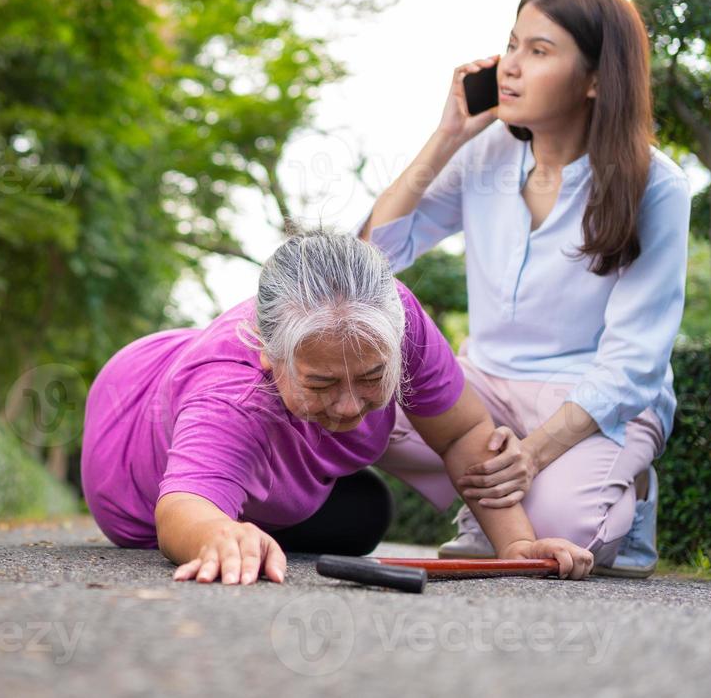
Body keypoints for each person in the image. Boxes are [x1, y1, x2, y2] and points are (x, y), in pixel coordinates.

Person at [361, 0, 691, 577]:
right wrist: (446, 138)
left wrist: (533, 456)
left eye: (539, 52)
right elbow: (378, 252)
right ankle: (496, 507)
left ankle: (634, 495)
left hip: (587, 398)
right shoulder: (483, 155)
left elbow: (635, 361)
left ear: (595, 79)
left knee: (569, 536)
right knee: (356, 408)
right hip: (482, 387)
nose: (510, 67)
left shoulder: (657, 186)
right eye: (510, 45)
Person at [79, 228, 595, 585]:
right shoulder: (228, 392)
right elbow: (181, 511)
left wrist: (516, 545)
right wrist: (218, 534)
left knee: (365, 515)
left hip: (232, 417)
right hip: (130, 437)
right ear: (267, 353)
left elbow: (461, 434)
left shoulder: (396, 318)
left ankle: (257, 498)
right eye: (322, 383)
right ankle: (240, 509)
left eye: (372, 378)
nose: (350, 408)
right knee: (238, 524)